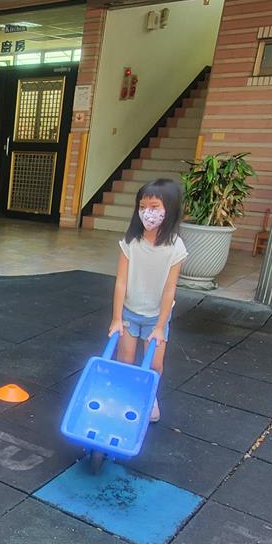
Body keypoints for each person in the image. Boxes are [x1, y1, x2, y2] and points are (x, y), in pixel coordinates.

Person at [108, 178, 189, 422]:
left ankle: (149, 395)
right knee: (125, 359)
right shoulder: (131, 242)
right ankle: (125, 395)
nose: (147, 213)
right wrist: (116, 318)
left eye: (154, 207)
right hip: (130, 312)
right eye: (142, 207)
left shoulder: (175, 247)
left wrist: (160, 326)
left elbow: (169, 289)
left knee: (154, 364)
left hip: (156, 316)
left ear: (169, 210)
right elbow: (121, 282)